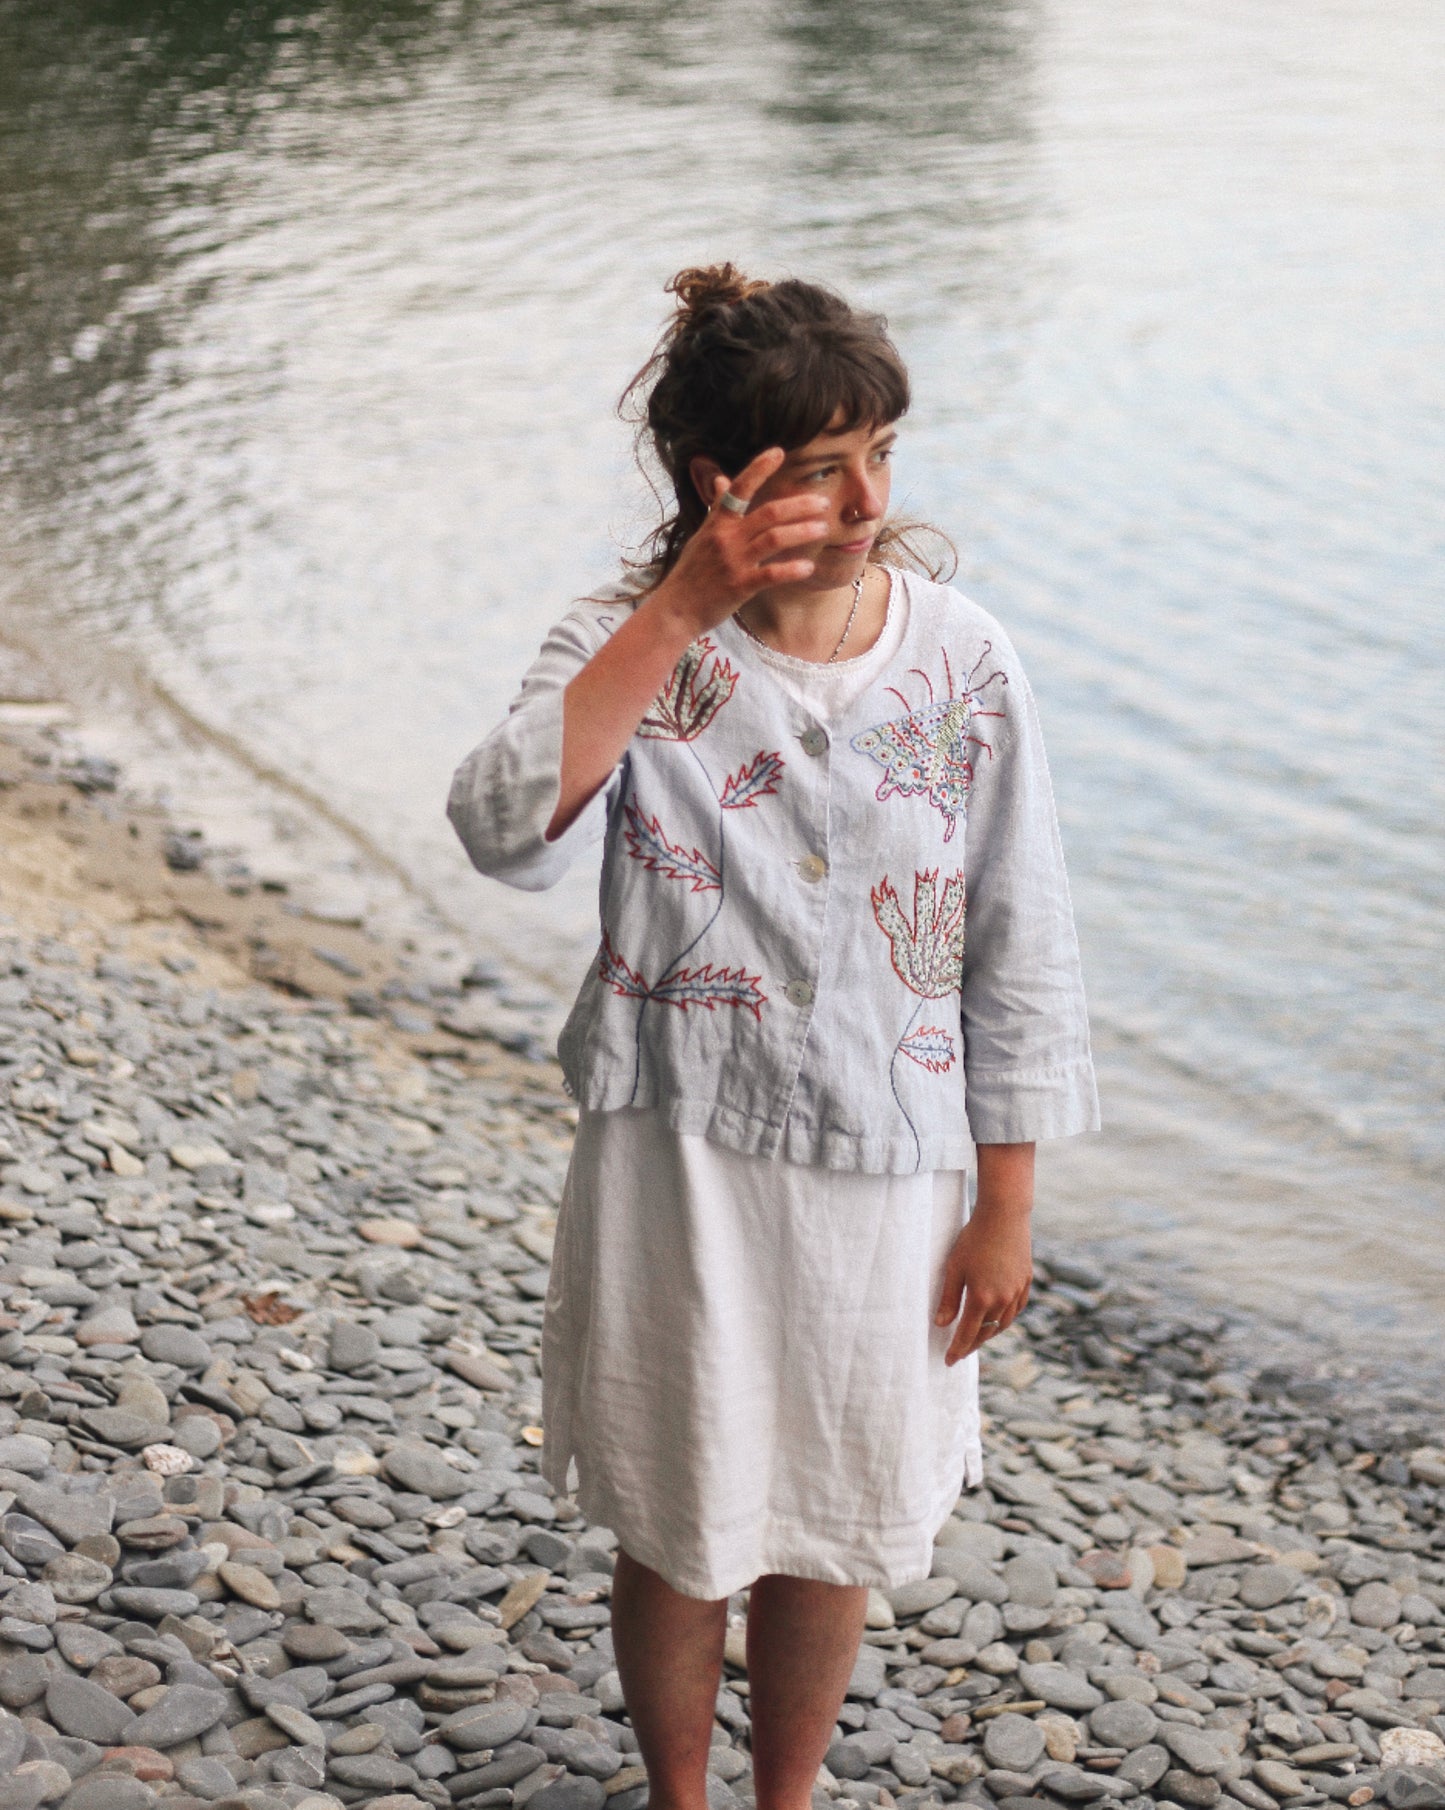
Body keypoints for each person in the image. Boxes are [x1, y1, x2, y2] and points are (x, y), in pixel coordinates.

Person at [447, 265, 1099, 1810]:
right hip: (673, 1152)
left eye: (881, 449)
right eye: (819, 467)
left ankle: (782, 1798)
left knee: (836, 1509)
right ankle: (684, 1798)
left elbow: (1016, 945)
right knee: (679, 1510)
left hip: (892, 1169)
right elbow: (499, 830)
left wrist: (1006, 1201)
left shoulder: (961, 662)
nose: (866, 495)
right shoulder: (629, 643)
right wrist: (684, 604)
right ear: (714, 479)